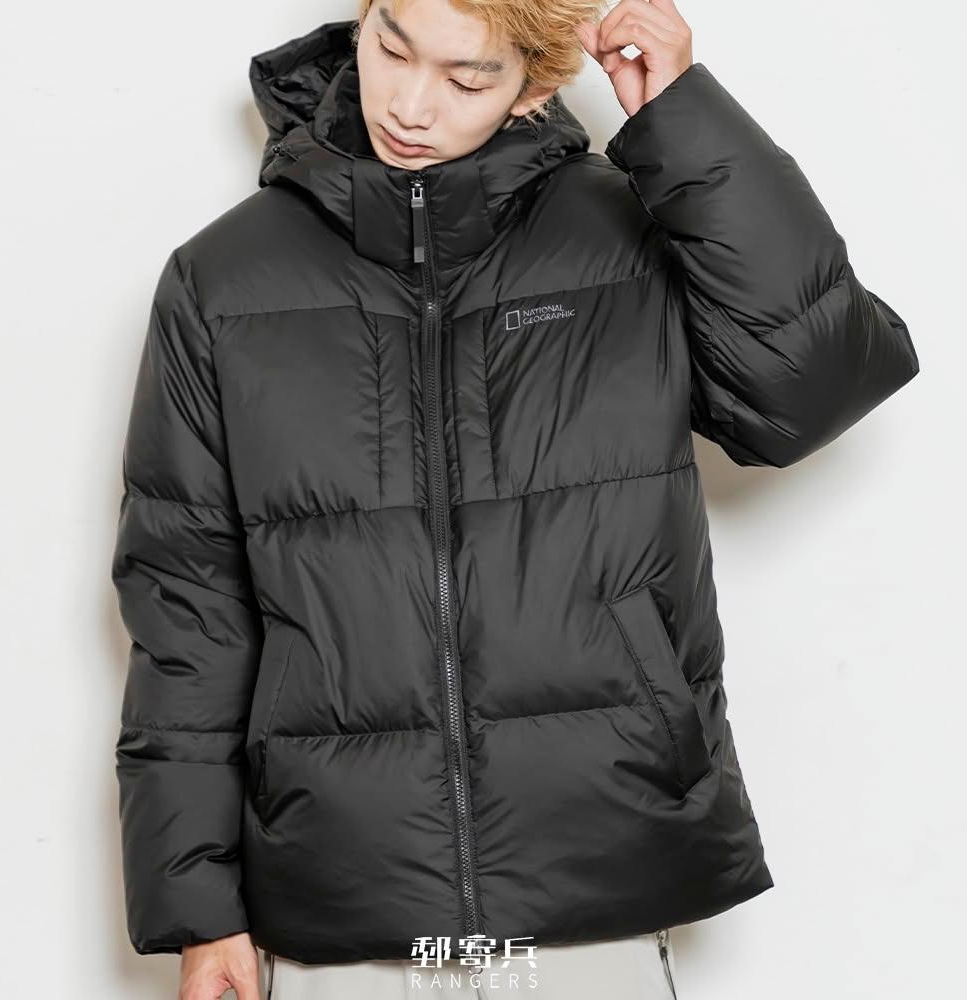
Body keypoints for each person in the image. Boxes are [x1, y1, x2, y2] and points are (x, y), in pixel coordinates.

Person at [109, 0, 920, 997]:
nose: (409, 105)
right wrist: (200, 910)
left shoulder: (629, 240)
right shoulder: (222, 282)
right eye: (391, 47)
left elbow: (810, 394)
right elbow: (188, 609)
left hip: (602, 864)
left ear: (533, 85)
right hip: (342, 890)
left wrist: (681, 120)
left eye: (466, 78)